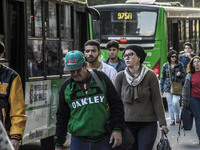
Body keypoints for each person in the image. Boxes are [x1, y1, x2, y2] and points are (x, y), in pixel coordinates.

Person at [54, 50, 124, 150]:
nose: (75, 74)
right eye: (71, 71)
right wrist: (58, 144)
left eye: (78, 70)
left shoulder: (101, 79)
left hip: (104, 139)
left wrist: (117, 129)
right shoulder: (66, 88)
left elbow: (116, 105)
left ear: (85, 65)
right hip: (79, 141)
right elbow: (61, 117)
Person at [114, 45, 169, 150]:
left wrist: (163, 123)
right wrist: (115, 125)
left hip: (148, 123)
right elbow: (115, 103)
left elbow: (157, 100)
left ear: (139, 57)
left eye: (130, 55)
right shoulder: (120, 76)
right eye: (125, 55)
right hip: (126, 123)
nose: (127, 57)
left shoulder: (150, 75)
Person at [0, 42, 27, 150]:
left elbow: (18, 111)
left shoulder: (12, 77)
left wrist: (15, 136)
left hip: (3, 137)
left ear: (1, 55)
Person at [160, 50, 186, 125]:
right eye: (172, 56)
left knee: (175, 102)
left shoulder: (180, 65)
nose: (174, 58)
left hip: (177, 86)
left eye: (175, 56)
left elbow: (184, 74)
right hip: (167, 87)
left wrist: (180, 74)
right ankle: (172, 119)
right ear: (169, 57)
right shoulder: (165, 65)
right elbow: (162, 77)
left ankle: (177, 116)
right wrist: (161, 89)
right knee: (170, 103)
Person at [181, 56, 200, 144]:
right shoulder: (190, 75)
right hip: (193, 98)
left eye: (198, 61)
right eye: (195, 62)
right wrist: (184, 100)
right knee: (198, 117)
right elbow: (185, 88)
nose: (197, 63)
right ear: (192, 65)